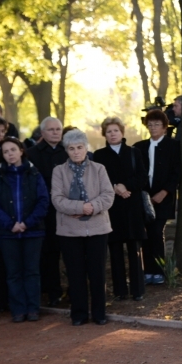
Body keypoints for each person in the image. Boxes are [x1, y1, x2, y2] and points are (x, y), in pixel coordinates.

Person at [51, 129, 114, 326]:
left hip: (98, 229)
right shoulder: (58, 171)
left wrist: (90, 208)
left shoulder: (99, 169)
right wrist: (79, 207)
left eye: (79, 147)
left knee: (97, 273)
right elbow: (57, 199)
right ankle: (78, 314)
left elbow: (108, 195)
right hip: (69, 231)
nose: (76, 152)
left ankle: (99, 313)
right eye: (71, 148)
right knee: (75, 273)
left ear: (86, 148)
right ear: (66, 150)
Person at [0, 137, 49, 323]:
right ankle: (18, 309)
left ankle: (33, 308)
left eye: (13, 150)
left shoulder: (34, 173)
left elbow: (43, 201)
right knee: (13, 273)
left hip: (33, 231)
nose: (10, 154)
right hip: (8, 233)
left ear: (21, 150)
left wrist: (27, 223)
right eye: (6, 152)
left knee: (31, 271)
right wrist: (11, 224)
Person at [93, 117, 148, 302]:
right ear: (104, 134)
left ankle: (138, 290)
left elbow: (142, 177)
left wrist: (125, 187)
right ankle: (120, 291)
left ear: (122, 132)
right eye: (109, 131)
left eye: (115, 130)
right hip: (111, 208)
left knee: (135, 250)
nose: (112, 134)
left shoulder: (134, 152)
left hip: (132, 207)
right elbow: (98, 180)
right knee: (115, 250)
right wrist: (115, 187)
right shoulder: (99, 155)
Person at [133, 109, 181, 286]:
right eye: (150, 124)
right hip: (144, 198)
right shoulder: (139, 146)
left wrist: (165, 192)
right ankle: (147, 272)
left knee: (156, 232)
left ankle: (159, 271)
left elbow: (176, 173)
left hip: (163, 197)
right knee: (145, 233)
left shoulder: (173, 146)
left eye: (157, 124)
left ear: (164, 127)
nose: (153, 128)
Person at [27, 116, 68, 306]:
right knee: (49, 253)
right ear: (42, 133)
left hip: (68, 210)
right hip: (44, 211)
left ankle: (73, 290)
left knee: (69, 251)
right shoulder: (31, 154)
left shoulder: (68, 151)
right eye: (51, 130)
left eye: (58, 129)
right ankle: (52, 292)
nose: (55, 133)